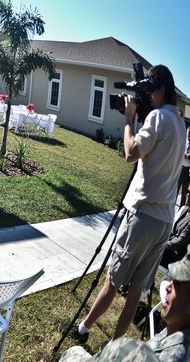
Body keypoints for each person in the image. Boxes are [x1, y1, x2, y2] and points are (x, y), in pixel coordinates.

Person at [65, 65, 185, 342]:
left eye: (150, 92)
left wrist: (130, 119)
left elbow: (131, 153)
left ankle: (82, 330)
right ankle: (115, 351)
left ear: (160, 91)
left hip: (143, 214)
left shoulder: (157, 117)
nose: (148, 97)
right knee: (135, 293)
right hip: (165, 220)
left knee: (114, 279)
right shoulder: (179, 123)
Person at [61, 249, 190, 361]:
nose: (168, 287)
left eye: (177, 284)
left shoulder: (167, 355)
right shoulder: (178, 331)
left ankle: (82, 334)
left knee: (73, 352)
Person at [179, 126, 190, 207]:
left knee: (184, 192)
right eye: (189, 132)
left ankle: (181, 211)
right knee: (175, 190)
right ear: (186, 132)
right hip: (180, 169)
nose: (189, 135)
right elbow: (178, 150)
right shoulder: (182, 142)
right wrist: (184, 154)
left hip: (187, 171)